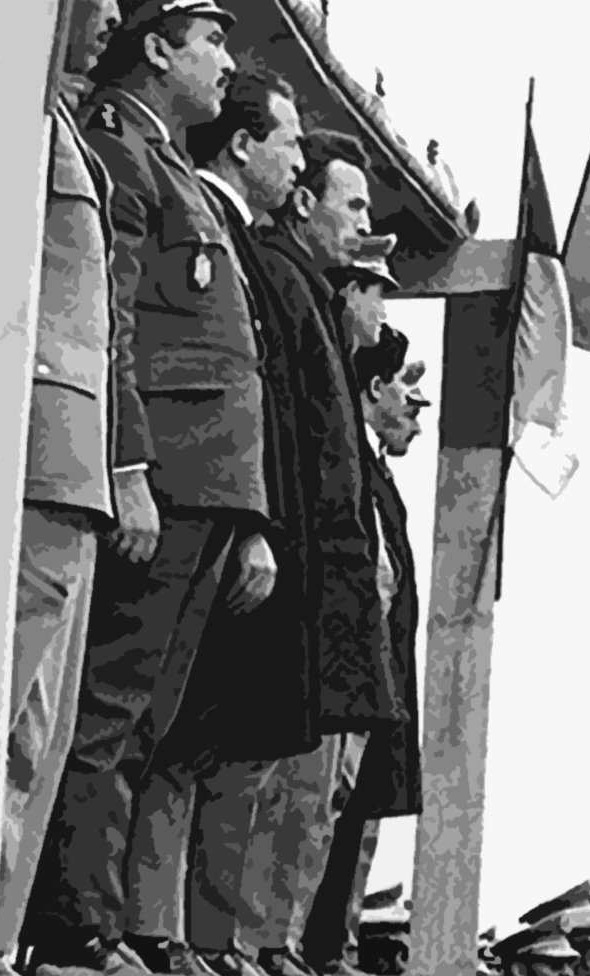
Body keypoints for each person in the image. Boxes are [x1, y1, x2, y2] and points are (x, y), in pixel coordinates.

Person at [25, 0, 278, 976]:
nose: (224, 59)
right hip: (165, 478)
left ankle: (110, 921)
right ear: (157, 45)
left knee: (150, 722)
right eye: (209, 38)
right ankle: (76, 927)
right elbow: (112, 319)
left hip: (206, 483)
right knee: (112, 711)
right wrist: (129, 463)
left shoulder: (165, 160)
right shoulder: (124, 151)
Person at [116, 63, 317, 976]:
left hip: (218, 502)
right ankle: (120, 930)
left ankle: (156, 933)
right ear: (243, 144)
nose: (302, 169)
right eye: (292, 144)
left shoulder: (250, 247)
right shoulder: (199, 216)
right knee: (139, 719)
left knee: (171, 728)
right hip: (179, 488)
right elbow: (156, 346)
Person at [0, 0, 145, 976]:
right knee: (12, 717)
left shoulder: (56, 125)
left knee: (36, 731)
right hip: (34, 456)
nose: (109, 8)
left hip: (68, 467)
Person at [230, 134, 406, 976]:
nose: (374, 312)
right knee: (265, 781)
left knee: (314, 799)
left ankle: (277, 946)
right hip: (292, 584)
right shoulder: (288, 286)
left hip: (327, 606)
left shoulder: (309, 303)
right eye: (357, 208)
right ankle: (248, 943)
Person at [300, 328, 428, 976]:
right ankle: (313, 950)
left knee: (354, 819)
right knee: (324, 815)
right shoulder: (354, 471)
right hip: (345, 677)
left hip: (373, 684)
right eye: (408, 387)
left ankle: (332, 950)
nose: (418, 407)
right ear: (373, 388)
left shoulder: (374, 474)